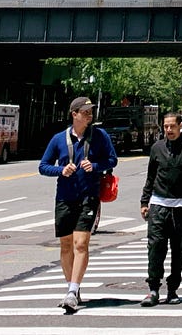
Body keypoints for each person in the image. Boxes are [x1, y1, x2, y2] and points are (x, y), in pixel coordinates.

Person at [39, 96, 118, 314]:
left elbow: (112, 160)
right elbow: (43, 166)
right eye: (85, 112)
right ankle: (72, 286)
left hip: (88, 196)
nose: (89, 116)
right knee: (66, 245)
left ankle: (72, 291)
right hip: (64, 197)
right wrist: (60, 170)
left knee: (81, 243)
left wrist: (94, 165)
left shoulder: (100, 136)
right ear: (74, 114)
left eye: (91, 112)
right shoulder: (58, 139)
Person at [140, 111, 182, 307]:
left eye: (172, 126)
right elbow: (150, 176)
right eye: (166, 127)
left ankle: (172, 289)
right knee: (155, 248)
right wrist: (144, 201)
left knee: (179, 250)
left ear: (180, 126)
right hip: (159, 205)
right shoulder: (157, 148)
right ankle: (153, 289)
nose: (169, 130)